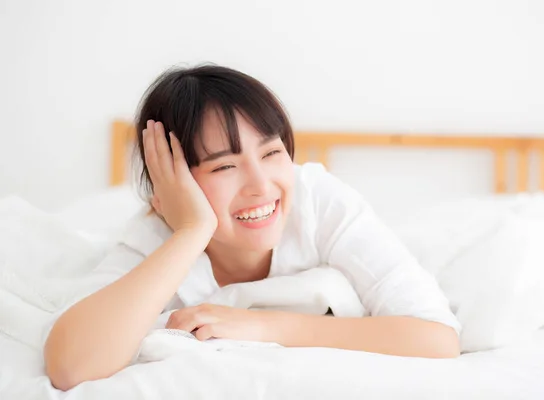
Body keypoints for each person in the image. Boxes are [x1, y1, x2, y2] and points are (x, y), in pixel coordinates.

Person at [44, 64, 461, 391]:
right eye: (225, 165)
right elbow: (71, 367)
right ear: (168, 190)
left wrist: (265, 325)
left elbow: (437, 338)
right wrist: (193, 231)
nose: (262, 187)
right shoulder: (158, 237)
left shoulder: (318, 200)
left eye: (272, 153)